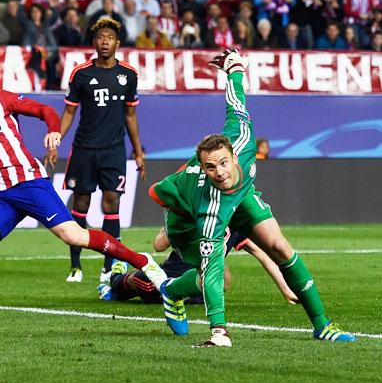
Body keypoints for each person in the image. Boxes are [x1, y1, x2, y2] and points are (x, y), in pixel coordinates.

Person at [0, 55, 166, 314]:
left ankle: (143, 261)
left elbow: (44, 111)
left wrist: (53, 129)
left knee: (74, 235)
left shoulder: (1, 100)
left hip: (30, 182)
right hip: (2, 194)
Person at [149, 49, 357, 346]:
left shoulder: (243, 138)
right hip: (184, 216)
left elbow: (235, 102)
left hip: (241, 195)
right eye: (210, 167)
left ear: (234, 156)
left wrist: (234, 69)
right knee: (210, 269)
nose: (219, 171)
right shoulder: (210, 208)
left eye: (223, 163)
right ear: (203, 168)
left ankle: (322, 325)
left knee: (280, 247)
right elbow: (157, 192)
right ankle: (171, 291)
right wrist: (218, 332)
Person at [45, 18, 145, 284]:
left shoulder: (128, 75)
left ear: (117, 43)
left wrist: (138, 152)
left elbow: (131, 115)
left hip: (114, 150)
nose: (105, 42)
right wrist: (56, 140)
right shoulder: (81, 73)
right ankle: (75, 266)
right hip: (84, 149)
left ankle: (108, 266)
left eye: (109, 38)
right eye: (100, 37)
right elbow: (69, 111)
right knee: (81, 204)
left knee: (112, 203)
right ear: (94, 41)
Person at [98, 226, 298, 307]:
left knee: (216, 286)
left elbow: (261, 254)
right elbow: (158, 245)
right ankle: (115, 278)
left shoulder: (237, 223)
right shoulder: (194, 213)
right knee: (147, 285)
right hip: (166, 277)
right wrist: (170, 225)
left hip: (196, 288)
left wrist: (286, 290)